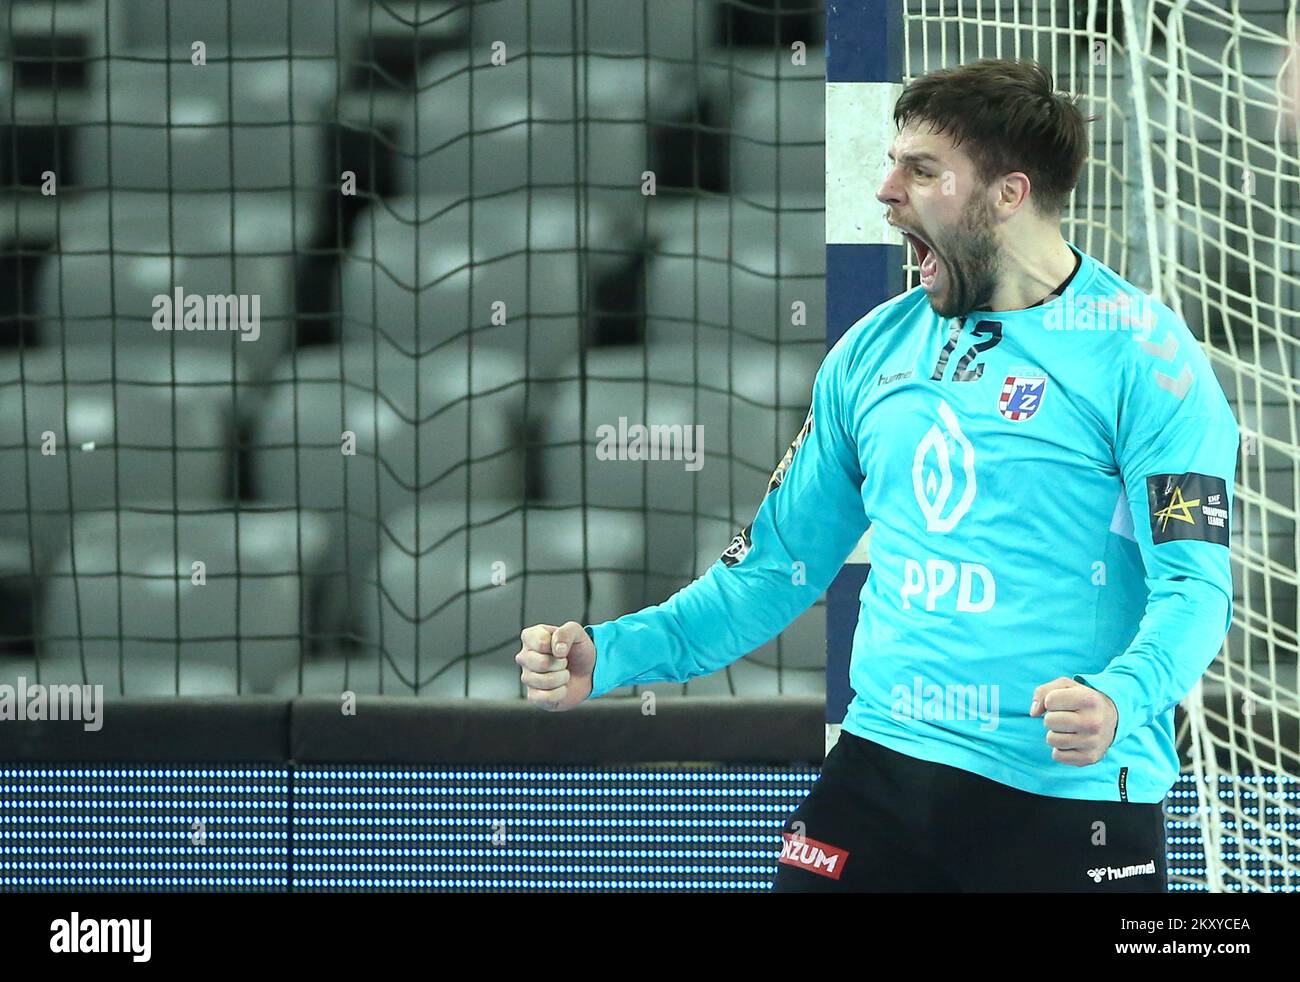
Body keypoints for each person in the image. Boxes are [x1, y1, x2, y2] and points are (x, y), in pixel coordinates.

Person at [515, 58, 1238, 892]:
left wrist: (1119, 696)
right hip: (881, 773)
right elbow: (770, 572)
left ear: (1009, 193)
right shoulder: (871, 352)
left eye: (922, 169)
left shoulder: (1146, 361)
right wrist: (608, 655)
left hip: (1070, 796)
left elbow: (1195, 589)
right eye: (894, 162)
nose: (885, 190)